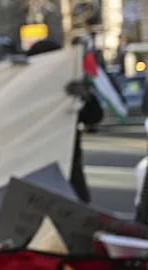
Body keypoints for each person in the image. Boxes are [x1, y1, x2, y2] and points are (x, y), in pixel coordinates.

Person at [27, 39, 101, 203]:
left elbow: (94, 117)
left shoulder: (69, 88)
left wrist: (84, 96)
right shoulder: (22, 92)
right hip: (32, 170)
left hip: (67, 170)